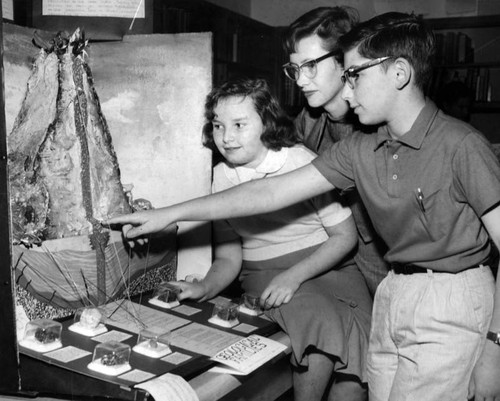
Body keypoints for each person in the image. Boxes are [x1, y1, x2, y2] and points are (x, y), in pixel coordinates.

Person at [104, 12, 500, 401]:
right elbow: (268, 194)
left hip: (451, 294)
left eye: (354, 76)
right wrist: (168, 214)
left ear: (398, 73)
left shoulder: (462, 146)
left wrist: (495, 350)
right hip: (397, 293)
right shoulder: (361, 147)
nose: (346, 93)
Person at [170, 78, 371, 401]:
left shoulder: (300, 161)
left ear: (267, 122)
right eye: (218, 125)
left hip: (329, 267)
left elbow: (345, 238)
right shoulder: (221, 176)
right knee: (317, 317)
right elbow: (228, 258)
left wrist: (293, 276)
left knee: (356, 354)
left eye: (239, 124)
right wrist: (204, 287)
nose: (226, 137)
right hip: (264, 275)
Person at [282, 6, 389, 296]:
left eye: (310, 66)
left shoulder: (376, 122)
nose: (301, 80)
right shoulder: (308, 118)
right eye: (295, 69)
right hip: (324, 250)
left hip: (377, 257)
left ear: (343, 62)